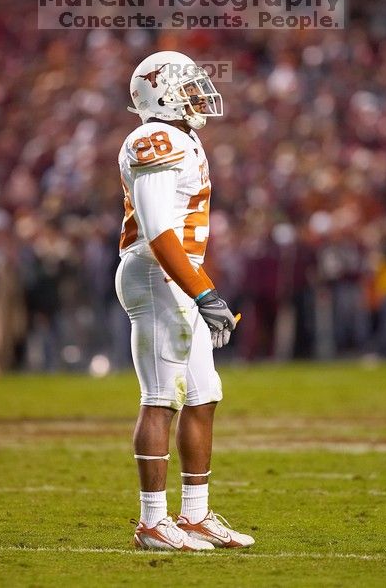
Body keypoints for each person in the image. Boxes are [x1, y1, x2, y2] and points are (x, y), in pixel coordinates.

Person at [115, 51, 254, 551]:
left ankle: (194, 515)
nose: (199, 94)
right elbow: (156, 231)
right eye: (188, 86)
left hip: (176, 275)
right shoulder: (157, 139)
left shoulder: (184, 138)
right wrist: (203, 291)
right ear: (163, 93)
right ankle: (152, 522)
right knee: (162, 396)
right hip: (155, 275)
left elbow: (180, 237)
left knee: (203, 393)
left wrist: (202, 287)